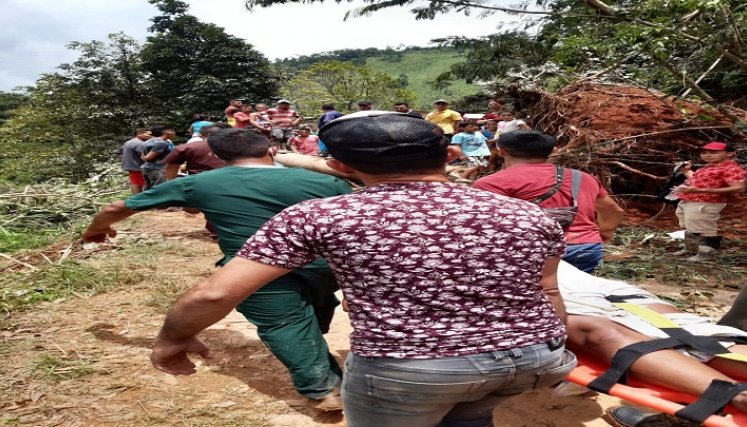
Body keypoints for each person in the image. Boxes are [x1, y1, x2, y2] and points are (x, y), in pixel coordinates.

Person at [149, 112, 574, 427]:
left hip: (410, 370)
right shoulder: (526, 214)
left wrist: (174, 337)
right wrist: (555, 352)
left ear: (339, 167)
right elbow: (548, 291)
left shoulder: (319, 216)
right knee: (469, 416)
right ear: (446, 155)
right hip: (530, 358)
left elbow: (216, 293)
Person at [82, 128, 352, 411]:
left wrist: (95, 230)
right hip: (324, 267)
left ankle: (324, 389)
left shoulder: (199, 183)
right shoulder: (324, 181)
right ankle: (313, 341)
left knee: (284, 322)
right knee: (315, 302)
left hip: (252, 272)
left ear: (218, 157)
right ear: (271, 151)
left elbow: (117, 207)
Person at [557, 261, 747, 426]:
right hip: (569, 282)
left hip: (575, 285)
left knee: (688, 330)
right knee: (685, 331)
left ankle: (735, 396)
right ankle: (733, 395)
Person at [473, 131, 624, 273]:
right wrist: (605, 232)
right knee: (576, 294)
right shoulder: (583, 177)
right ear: (553, 151)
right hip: (584, 247)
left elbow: (485, 224)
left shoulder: (491, 183)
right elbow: (613, 211)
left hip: (529, 249)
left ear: (501, 152)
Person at [670, 141, 746, 261]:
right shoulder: (709, 166)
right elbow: (698, 180)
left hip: (708, 202)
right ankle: (690, 249)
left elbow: (739, 187)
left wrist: (700, 190)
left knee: (705, 227)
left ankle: (706, 254)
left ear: (730, 153)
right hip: (690, 199)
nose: (707, 155)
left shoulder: (731, 169)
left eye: (713, 152)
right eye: (704, 152)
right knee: (691, 225)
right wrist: (686, 171)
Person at [163, 124, 228, 179]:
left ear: (201, 135)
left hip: (199, 182)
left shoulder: (187, 147)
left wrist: (171, 182)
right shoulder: (235, 145)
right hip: (231, 180)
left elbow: (171, 168)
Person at [140, 125, 176, 189]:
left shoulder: (148, 141)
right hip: (157, 169)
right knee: (159, 189)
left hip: (147, 167)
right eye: (173, 131)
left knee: (148, 188)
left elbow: (142, 156)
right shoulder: (162, 143)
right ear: (167, 132)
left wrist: (145, 158)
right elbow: (149, 157)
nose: (174, 133)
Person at [120, 128, 152, 194]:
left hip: (131, 168)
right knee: (143, 185)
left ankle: (136, 199)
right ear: (139, 134)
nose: (150, 136)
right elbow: (145, 155)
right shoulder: (140, 143)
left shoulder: (128, 142)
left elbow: (119, 152)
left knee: (135, 183)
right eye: (148, 134)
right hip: (138, 168)